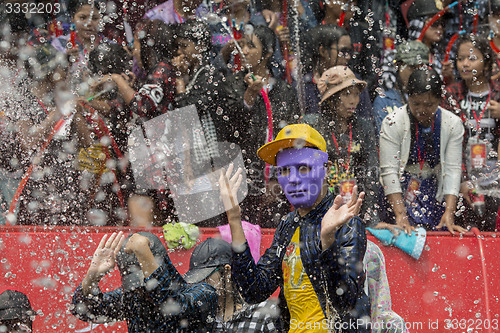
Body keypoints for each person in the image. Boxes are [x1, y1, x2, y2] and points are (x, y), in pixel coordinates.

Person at [218, 124, 370, 332]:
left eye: (304, 168)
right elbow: (254, 290)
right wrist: (234, 218)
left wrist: (327, 243)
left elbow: (345, 303)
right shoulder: (288, 225)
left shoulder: (348, 224)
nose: (294, 180)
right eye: (285, 170)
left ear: (326, 169)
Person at [71, 231, 217, 332]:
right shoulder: (133, 298)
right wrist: (92, 277)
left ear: (165, 266)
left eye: (146, 286)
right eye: (138, 287)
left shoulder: (203, 293)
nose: (144, 293)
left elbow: (170, 307)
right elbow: (85, 310)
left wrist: (144, 254)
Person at [379, 67, 467, 235]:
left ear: (439, 101)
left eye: (429, 105)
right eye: (416, 103)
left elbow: (452, 170)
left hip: (433, 189)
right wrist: (400, 214)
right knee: (402, 235)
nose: (421, 110)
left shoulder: (453, 124)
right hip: (399, 189)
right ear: (408, 98)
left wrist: (449, 212)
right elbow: (389, 171)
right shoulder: (392, 122)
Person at [231, 25, 297, 227]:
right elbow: (232, 128)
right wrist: (250, 95)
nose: (244, 51)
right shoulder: (233, 84)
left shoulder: (285, 92)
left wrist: (278, 180)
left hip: (275, 184)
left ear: (268, 53)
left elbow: (291, 139)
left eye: (251, 46)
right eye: (242, 45)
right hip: (241, 179)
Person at [304, 66, 380, 229]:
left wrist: (371, 219)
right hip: (319, 210)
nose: (353, 100)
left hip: (354, 208)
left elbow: (371, 175)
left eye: (356, 94)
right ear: (331, 98)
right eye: (346, 94)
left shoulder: (364, 128)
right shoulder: (312, 126)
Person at [442, 34, 500, 231]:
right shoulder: (452, 94)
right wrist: (461, 182)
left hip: (496, 185)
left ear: (486, 62)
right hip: (466, 186)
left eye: (472, 58)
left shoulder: (498, 93)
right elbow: (450, 144)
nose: (464, 64)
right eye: (460, 58)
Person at [183, 237, 278, 332]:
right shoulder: (199, 318)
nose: (200, 285)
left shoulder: (262, 312)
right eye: (197, 280)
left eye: (205, 277)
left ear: (227, 271)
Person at [374, 40, 430, 132]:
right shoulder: (384, 102)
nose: (417, 73)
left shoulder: (431, 100)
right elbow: (384, 140)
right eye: (412, 67)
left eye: (421, 68)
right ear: (398, 66)